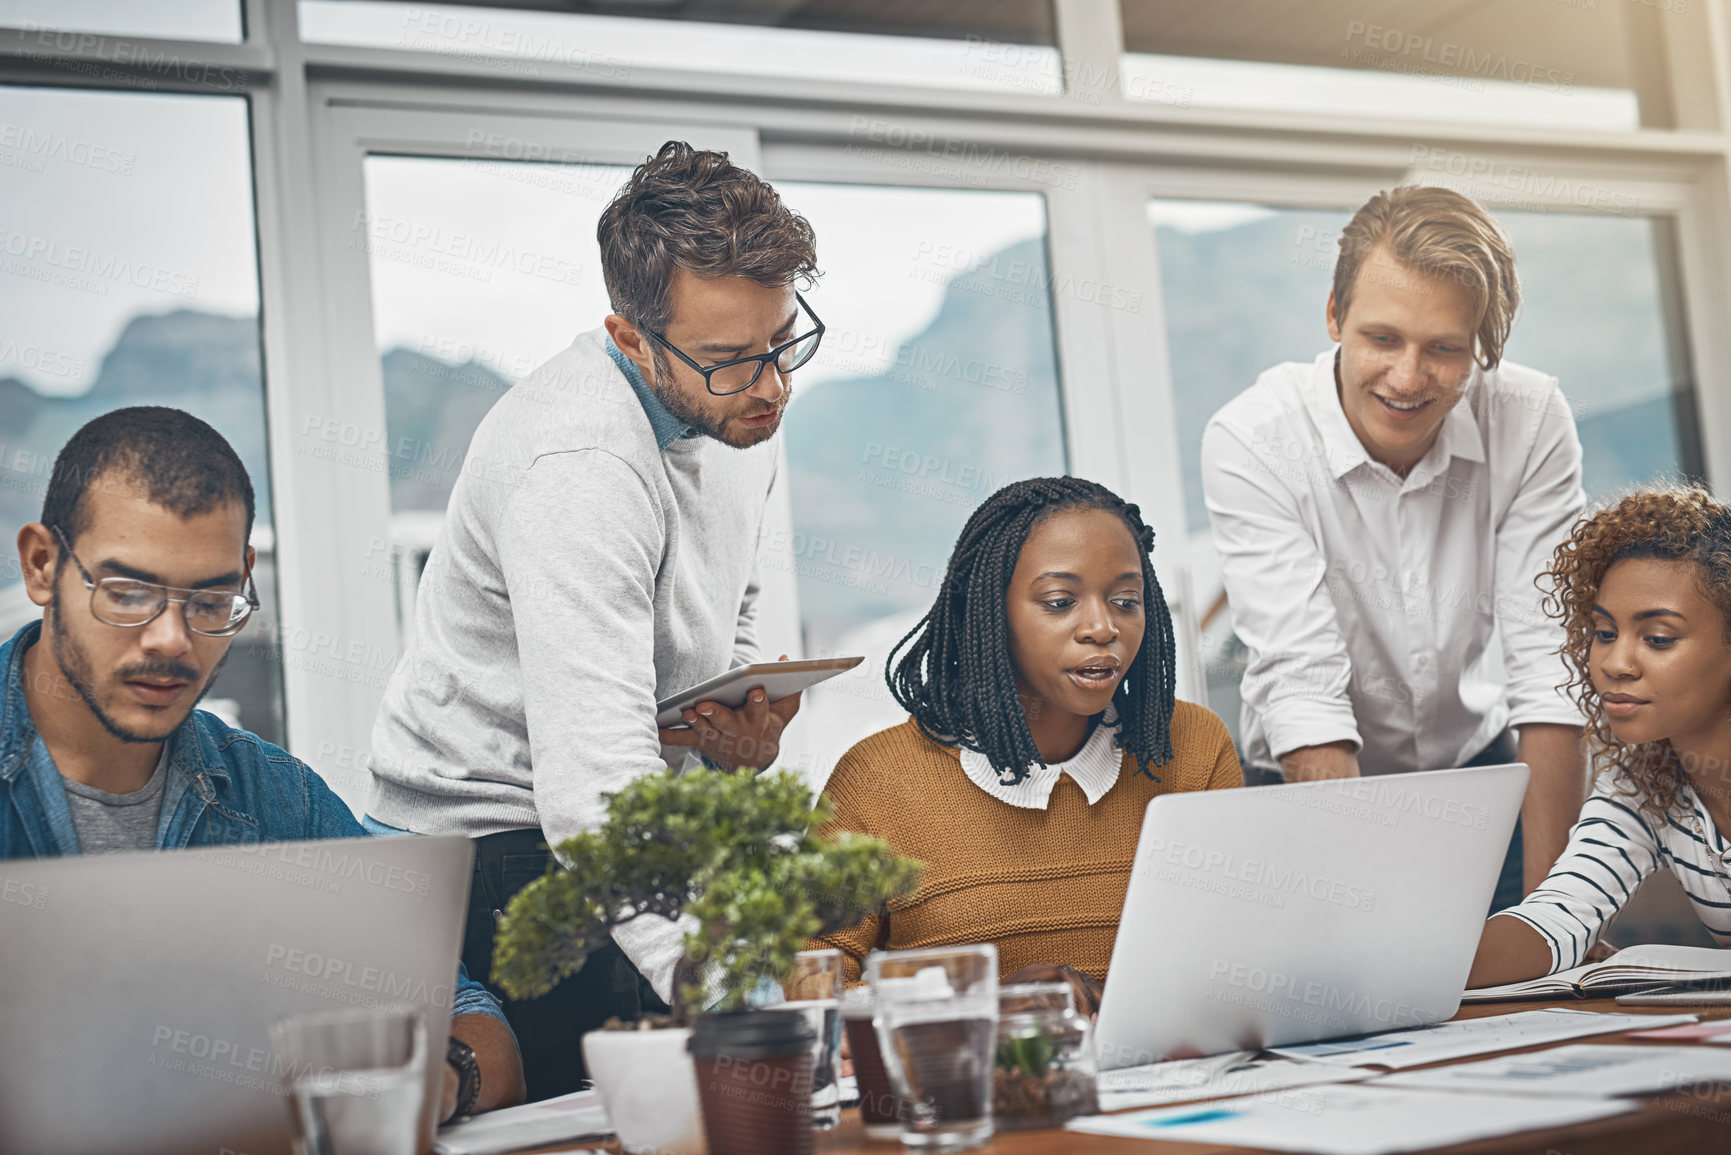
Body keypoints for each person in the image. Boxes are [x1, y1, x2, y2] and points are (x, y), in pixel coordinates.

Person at [364, 141, 820, 1097]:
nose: (772, 386)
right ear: (630, 338)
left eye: (782, 342)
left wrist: (726, 728)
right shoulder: (577, 462)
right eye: (734, 361)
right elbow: (594, 787)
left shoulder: (736, 415)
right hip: (491, 846)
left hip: (614, 813)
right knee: (636, 1109)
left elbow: (725, 609)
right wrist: (721, 982)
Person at [3, 407, 524, 1122]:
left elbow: (471, 1020)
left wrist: (434, 1082)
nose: (170, 639)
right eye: (127, 593)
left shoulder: (276, 798)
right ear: (41, 564)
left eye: (212, 600)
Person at [1200, 185, 1587, 912]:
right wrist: (1361, 921)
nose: (1407, 378)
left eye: (1443, 348)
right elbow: (1301, 685)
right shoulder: (1252, 438)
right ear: (1333, 316)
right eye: (1381, 339)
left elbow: (1547, 666)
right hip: (1309, 789)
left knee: (1533, 999)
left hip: (1476, 782)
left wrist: (1556, 920)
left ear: (1482, 347)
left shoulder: (1528, 418)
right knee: (1348, 997)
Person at [808, 477, 1241, 1005]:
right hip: (968, 1082)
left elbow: (1240, 954)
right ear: (987, 613)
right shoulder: (879, 780)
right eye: (1060, 602)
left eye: (1127, 600)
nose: (1103, 627)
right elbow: (808, 983)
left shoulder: (1193, 747)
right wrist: (983, 1005)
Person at [1469, 487, 1731, 986]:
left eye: (1657, 639)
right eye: (1604, 633)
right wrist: (1393, 971)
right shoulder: (1643, 782)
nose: (1613, 664)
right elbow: (1558, 916)